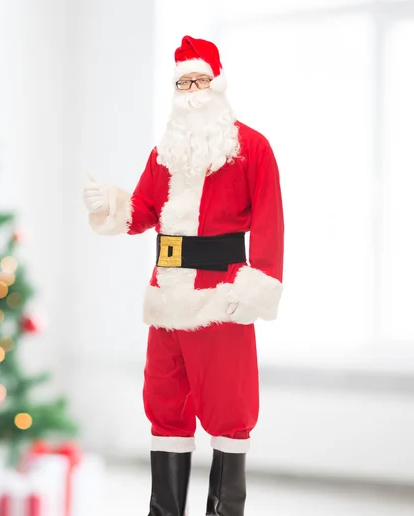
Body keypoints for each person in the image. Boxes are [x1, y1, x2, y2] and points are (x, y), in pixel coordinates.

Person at [82, 35, 284, 516]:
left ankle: (224, 510)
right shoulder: (164, 153)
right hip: (167, 298)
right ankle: (164, 510)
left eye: (199, 80)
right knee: (165, 405)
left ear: (217, 84)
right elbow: (141, 212)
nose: (191, 90)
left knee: (230, 412)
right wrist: (110, 203)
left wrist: (259, 284)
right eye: (182, 82)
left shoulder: (252, 148)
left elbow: (272, 223)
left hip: (222, 298)